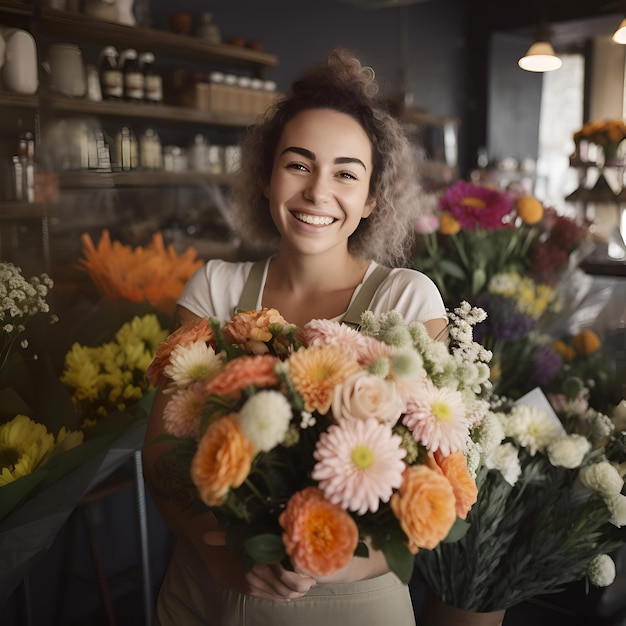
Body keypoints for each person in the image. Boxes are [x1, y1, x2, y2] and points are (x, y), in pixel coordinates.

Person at [142, 47, 448, 626]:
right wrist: (224, 560)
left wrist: (325, 564)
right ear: (265, 175)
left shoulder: (407, 300)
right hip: (207, 592)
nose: (317, 191)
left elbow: (434, 487)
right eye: (298, 164)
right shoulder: (214, 289)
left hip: (350, 601)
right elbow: (161, 455)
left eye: (346, 174)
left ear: (372, 198)